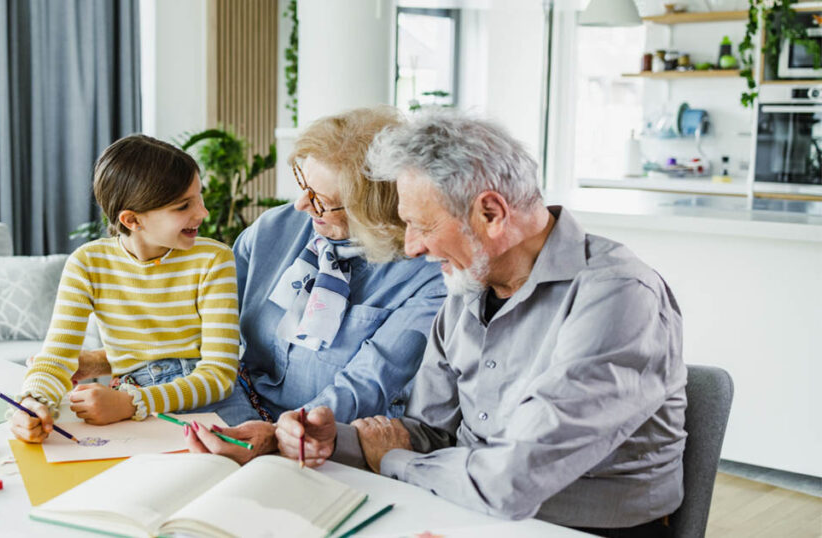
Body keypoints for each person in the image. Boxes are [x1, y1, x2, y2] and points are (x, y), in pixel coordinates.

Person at [275, 111, 687, 538]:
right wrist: (335, 441)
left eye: (420, 225)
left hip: (577, 528)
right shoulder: (468, 285)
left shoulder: (619, 295)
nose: (412, 247)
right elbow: (429, 432)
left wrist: (393, 461)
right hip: (463, 509)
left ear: (490, 213)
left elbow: (512, 479)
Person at [180, 106, 447, 462]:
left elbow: (369, 383)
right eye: (303, 183)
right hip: (230, 421)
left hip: (324, 445)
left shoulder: (427, 276)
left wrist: (282, 435)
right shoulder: (273, 229)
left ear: (373, 210)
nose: (301, 204)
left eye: (322, 201)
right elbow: (207, 327)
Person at [9, 134, 249, 443]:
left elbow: (219, 375)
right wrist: (32, 403)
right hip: (129, 400)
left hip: (203, 399)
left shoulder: (213, 259)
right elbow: (56, 358)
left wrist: (134, 402)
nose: (202, 213)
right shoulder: (87, 264)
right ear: (132, 220)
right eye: (182, 206)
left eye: (199, 196)